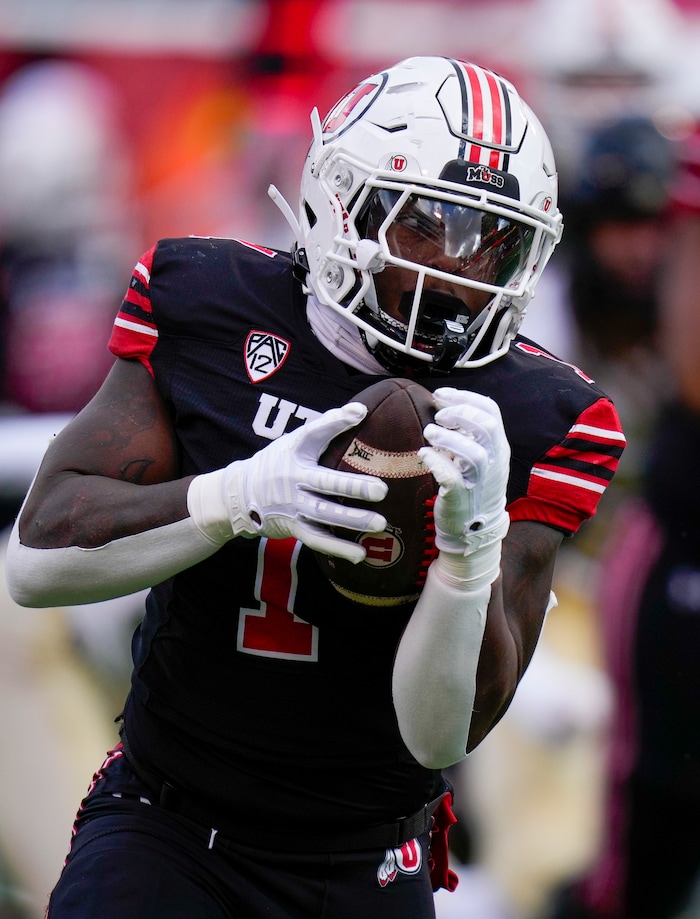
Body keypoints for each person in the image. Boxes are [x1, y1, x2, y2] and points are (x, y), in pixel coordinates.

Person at [5, 56, 624, 919]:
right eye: (430, 225)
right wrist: (233, 499)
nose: (460, 270)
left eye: (493, 239)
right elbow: (34, 564)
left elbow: (439, 734)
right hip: (169, 829)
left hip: (364, 859)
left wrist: (468, 549)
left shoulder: (538, 416)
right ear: (346, 202)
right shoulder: (214, 306)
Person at [544, 120, 700, 919]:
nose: (637, 250)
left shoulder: (679, 325)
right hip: (558, 580)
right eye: (618, 225)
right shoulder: (547, 317)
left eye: (653, 226)